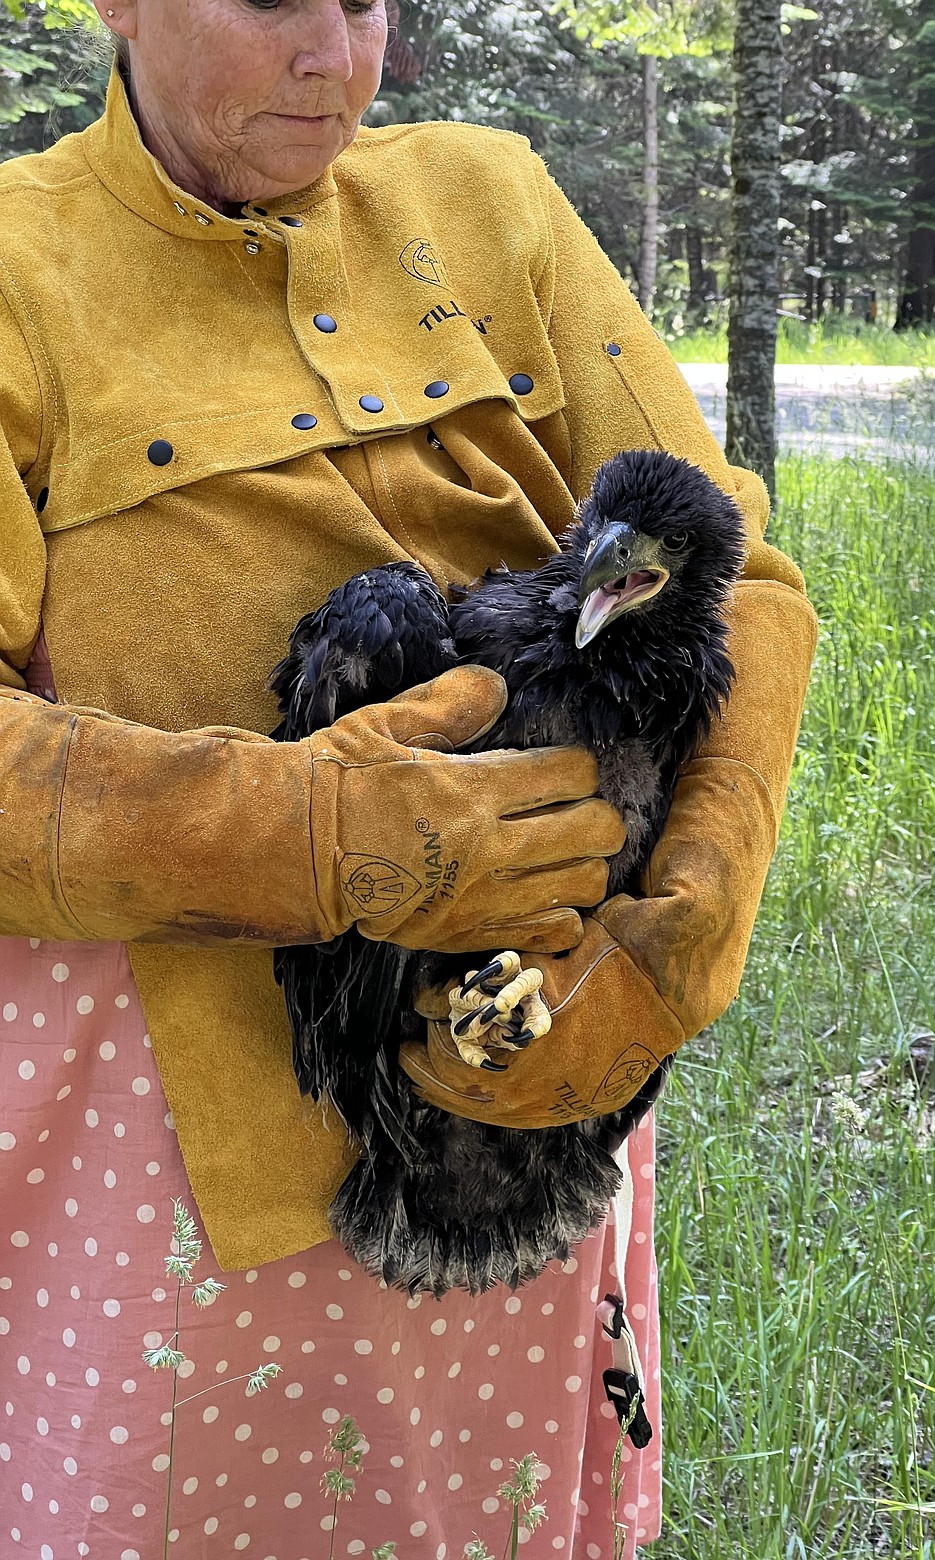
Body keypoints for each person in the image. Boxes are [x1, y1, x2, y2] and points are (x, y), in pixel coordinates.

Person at [0, 1, 817, 1555]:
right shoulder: (11, 266)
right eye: (267, 0)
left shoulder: (491, 201)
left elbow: (743, 581)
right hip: (174, 1110)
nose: (335, 54)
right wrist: (309, 834)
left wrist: (678, 932)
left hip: (527, 1054)